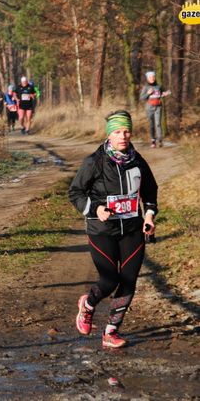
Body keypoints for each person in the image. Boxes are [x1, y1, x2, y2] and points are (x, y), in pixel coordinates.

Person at [69, 110, 158, 349]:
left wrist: (149, 215)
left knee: (129, 281)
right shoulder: (94, 162)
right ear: (109, 134)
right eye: (117, 131)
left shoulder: (137, 160)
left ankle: (111, 332)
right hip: (102, 230)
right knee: (109, 281)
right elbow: (75, 192)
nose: (123, 136)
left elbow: (150, 191)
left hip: (132, 230)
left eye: (126, 131)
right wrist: (95, 209)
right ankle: (88, 304)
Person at [139, 71, 170, 148]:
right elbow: (141, 98)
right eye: (150, 77)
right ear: (147, 79)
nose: (152, 78)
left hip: (158, 106)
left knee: (158, 124)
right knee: (152, 124)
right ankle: (153, 140)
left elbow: (162, 93)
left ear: (155, 77)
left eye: (153, 77)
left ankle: (159, 140)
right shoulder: (146, 87)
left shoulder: (158, 86)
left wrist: (165, 94)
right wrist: (148, 93)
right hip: (149, 107)